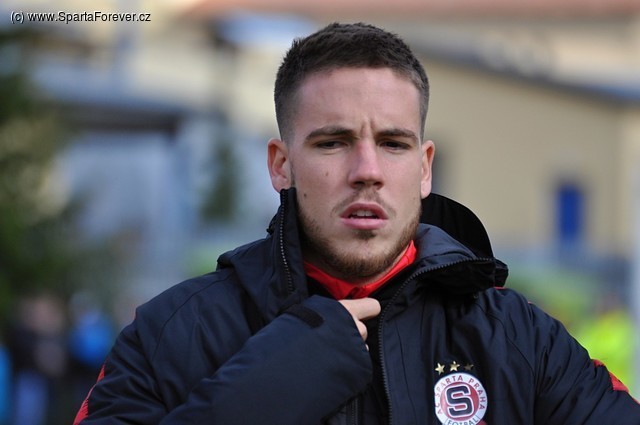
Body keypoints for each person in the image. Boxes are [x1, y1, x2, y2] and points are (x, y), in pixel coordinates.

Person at [73, 22, 640, 424]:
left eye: (393, 143)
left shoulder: (521, 340)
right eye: (333, 142)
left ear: (424, 168)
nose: (367, 170)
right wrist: (264, 389)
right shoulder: (170, 334)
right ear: (281, 165)